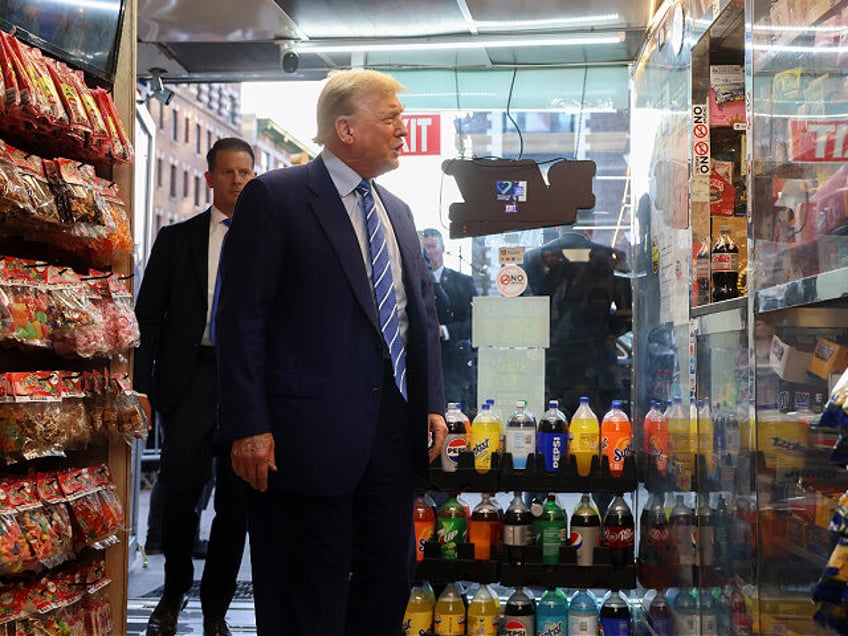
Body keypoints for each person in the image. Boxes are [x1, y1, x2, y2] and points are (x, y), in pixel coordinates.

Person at [214, 69, 447, 636]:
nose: (402, 129)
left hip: (391, 434)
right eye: (390, 117)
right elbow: (241, 317)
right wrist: (249, 425)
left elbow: (420, 314)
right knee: (304, 594)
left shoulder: (399, 211)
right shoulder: (277, 196)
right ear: (345, 128)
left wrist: (433, 402)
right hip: (302, 436)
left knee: (387, 582)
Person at [133, 137, 256, 636]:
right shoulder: (176, 239)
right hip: (190, 379)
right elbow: (148, 317)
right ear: (209, 179)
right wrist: (141, 388)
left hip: (244, 381)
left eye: (245, 173)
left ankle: (216, 609)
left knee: (236, 502)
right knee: (180, 492)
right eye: (227, 173)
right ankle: (172, 592)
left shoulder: (267, 241)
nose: (237, 181)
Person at [421, 228, 478, 412]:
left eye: (432, 246)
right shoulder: (412, 282)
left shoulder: (463, 282)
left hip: (455, 366)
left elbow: (476, 323)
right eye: (424, 248)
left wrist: (445, 331)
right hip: (424, 363)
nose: (428, 252)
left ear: (443, 247)